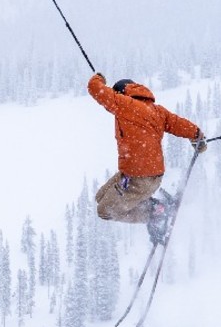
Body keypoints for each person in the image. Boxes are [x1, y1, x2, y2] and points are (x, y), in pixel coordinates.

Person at [87, 73, 207, 244]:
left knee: (105, 211)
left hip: (140, 178)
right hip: (138, 174)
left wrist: (98, 78)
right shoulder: (155, 110)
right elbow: (177, 123)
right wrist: (197, 135)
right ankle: (150, 204)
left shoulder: (125, 105)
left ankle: (156, 211)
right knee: (100, 197)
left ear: (121, 94)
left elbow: (95, 88)